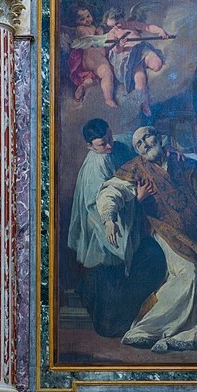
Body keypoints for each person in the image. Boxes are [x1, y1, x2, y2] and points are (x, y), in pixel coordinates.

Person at [97, 125, 197, 352]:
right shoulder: (135, 169)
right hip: (165, 232)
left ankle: (184, 330)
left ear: (159, 136)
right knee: (191, 273)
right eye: (139, 144)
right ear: (138, 151)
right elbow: (111, 191)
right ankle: (146, 330)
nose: (145, 144)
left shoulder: (182, 163)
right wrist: (108, 218)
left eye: (148, 137)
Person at [66, 119, 164, 337]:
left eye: (110, 138)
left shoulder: (117, 148)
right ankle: (110, 319)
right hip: (103, 229)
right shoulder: (95, 166)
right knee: (110, 280)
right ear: (90, 146)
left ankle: (137, 313)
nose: (110, 145)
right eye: (103, 144)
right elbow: (99, 203)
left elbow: (140, 161)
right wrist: (135, 199)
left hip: (128, 224)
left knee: (153, 259)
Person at [101, 8, 169, 115]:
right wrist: (121, 46)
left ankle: (146, 63)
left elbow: (148, 27)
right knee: (140, 80)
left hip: (142, 50)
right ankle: (144, 105)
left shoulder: (132, 24)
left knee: (157, 65)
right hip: (131, 59)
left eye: (117, 23)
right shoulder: (112, 33)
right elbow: (116, 50)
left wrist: (160, 31)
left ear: (122, 17)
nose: (115, 26)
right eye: (112, 25)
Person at [67, 6, 118, 107]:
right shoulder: (80, 29)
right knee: (107, 74)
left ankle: (83, 87)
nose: (87, 20)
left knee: (91, 78)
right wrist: (100, 34)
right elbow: (90, 39)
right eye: (82, 19)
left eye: (88, 16)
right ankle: (108, 98)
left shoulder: (93, 27)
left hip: (93, 60)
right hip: (94, 58)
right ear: (76, 21)